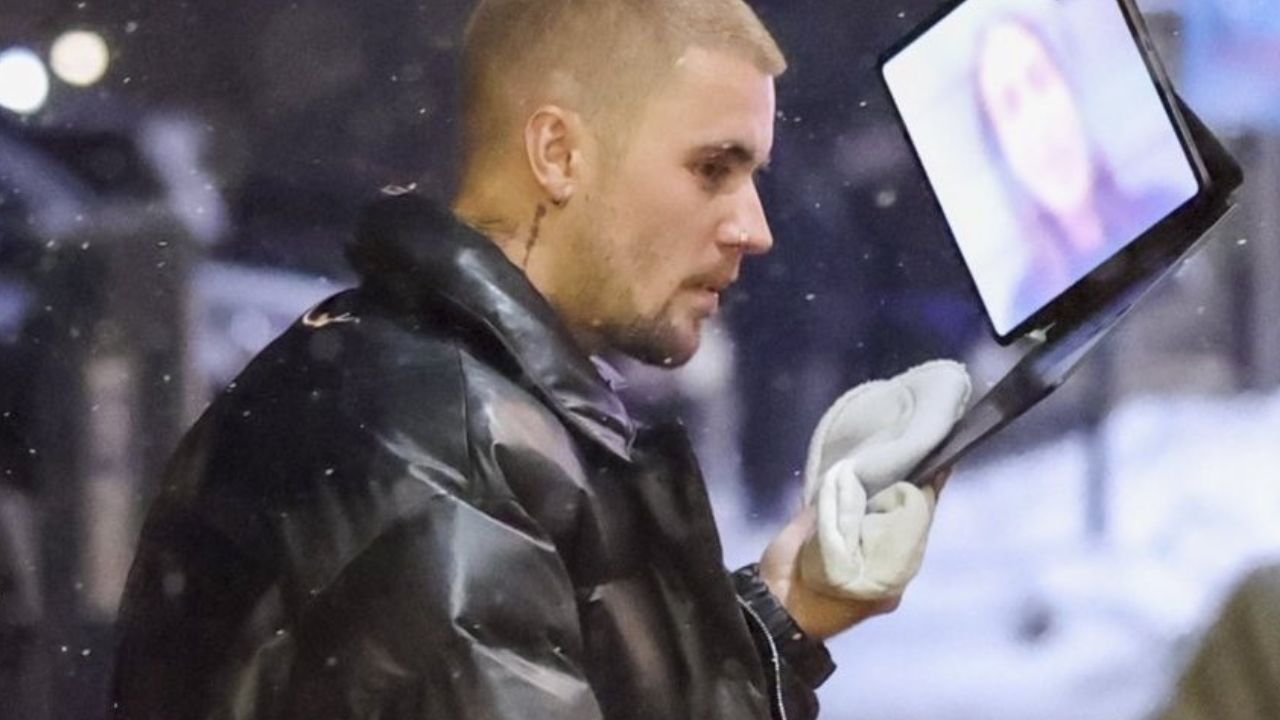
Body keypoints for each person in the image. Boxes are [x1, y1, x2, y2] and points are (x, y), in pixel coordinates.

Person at [111, 1, 954, 718]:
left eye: (754, 174)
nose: (755, 228)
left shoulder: (459, 398)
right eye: (712, 169)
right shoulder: (434, 450)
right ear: (558, 154)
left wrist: (787, 612)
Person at [972, 14, 1183, 328]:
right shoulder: (1025, 309)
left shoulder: (1167, 208)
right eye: (1010, 104)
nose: (1038, 122)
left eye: (1040, 79)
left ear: (1070, 90)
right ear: (1001, 152)